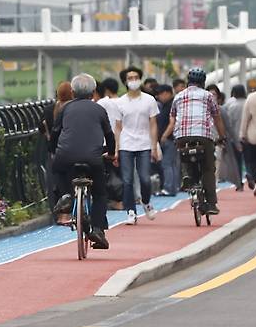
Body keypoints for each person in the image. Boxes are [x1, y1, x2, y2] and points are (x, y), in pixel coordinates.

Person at [51, 74, 114, 249]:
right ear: (94, 92)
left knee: (58, 169)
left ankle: (65, 195)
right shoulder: (99, 110)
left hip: (66, 156)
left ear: (72, 92)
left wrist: (53, 151)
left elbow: (55, 132)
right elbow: (109, 134)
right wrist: (111, 153)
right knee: (100, 193)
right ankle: (98, 230)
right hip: (93, 159)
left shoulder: (65, 108)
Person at [162, 68, 226, 215]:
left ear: (188, 82)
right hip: (203, 136)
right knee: (208, 169)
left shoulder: (178, 96)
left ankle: (187, 176)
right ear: (203, 82)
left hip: (182, 137)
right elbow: (217, 118)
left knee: (184, 156)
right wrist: (222, 136)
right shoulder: (208, 96)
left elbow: (173, 118)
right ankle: (211, 204)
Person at [114, 66, 160, 225]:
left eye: (135, 77)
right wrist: (116, 149)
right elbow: (118, 127)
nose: (133, 80)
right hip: (126, 144)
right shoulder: (120, 102)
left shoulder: (149, 100)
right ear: (125, 82)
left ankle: (146, 202)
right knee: (127, 180)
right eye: (130, 78)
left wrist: (154, 146)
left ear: (140, 79)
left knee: (145, 179)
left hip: (144, 143)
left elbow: (153, 124)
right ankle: (130, 211)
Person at [38, 81, 72, 219]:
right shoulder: (74, 108)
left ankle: (60, 215)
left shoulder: (49, 109)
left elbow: (41, 127)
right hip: (74, 151)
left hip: (55, 151)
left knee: (56, 183)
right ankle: (75, 212)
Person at [155, 85, 179, 196]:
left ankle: (168, 188)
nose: (159, 97)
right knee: (171, 164)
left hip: (169, 139)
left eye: (160, 94)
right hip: (171, 139)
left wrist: (164, 135)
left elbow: (172, 122)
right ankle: (173, 187)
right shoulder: (166, 105)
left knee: (166, 164)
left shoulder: (171, 105)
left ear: (167, 93)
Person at [223, 84, 247, 191]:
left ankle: (239, 182)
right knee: (249, 159)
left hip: (235, 137)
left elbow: (229, 124)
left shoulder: (231, 106)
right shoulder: (248, 104)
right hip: (249, 136)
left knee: (237, 161)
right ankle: (251, 176)